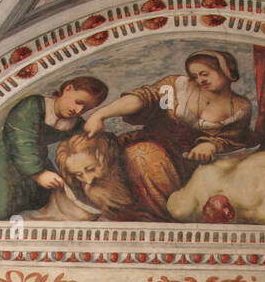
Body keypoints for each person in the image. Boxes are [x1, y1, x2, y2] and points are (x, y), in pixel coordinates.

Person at [83, 49, 254, 217]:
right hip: (154, 143)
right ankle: (151, 218)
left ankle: (168, 218)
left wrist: (210, 145)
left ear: (225, 70)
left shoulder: (239, 107)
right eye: (195, 76)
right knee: (138, 155)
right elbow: (144, 98)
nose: (200, 80)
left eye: (205, 74)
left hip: (189, 163)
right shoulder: (176, 86)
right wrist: (101, 114)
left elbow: (233, 138)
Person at [0, 76, 108, 220]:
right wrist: (38, 174)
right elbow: (21, 138)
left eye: (85, 108)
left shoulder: (75, 124)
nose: (77, 109)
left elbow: (87, 145)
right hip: (1, 154)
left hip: (34, 158)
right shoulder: (33, 105)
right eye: (78, 101)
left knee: (41, 200)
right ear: (67, 89)